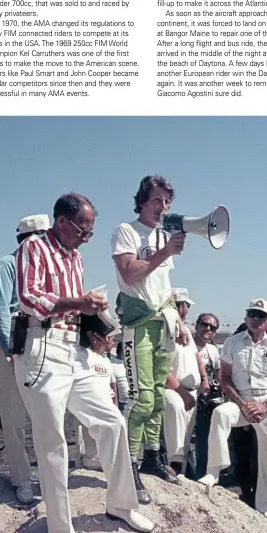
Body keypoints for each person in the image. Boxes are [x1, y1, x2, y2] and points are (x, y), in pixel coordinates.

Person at [15, 193, 153, 533]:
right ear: (62, 221)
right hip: (42, 348)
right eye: (83, 230)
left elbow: (71, 306)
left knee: (111, 422)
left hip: (73, 349)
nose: (86, 238)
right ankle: (60, 526)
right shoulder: (33, 247)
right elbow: (30, 298)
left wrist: (91, 326)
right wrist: (78, 303)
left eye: (91, 232)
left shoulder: (76, 257)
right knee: (52, 439)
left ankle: (121, 505)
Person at [111, 175, 185, 503]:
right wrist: (163, 251)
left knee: (157, 396)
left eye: (167, 201)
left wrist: (178, 318)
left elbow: (163, 285)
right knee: (140, 398)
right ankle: (129, 463)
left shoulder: (163, 234)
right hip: (138, 324)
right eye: (157, 200)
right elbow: (129, 273)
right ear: (142, 200)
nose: (163, 207)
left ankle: (153, 455)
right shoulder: (126, 231)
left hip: (162, 323)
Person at [198, 298, 267, 521]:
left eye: (261, 316)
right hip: (241, 402)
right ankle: (214, 471)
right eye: (252, 314)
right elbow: (225, 379)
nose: (256, 319)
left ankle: (265, 506)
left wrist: (265, 405)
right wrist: (243, 405)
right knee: (220, 414)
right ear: (246, 317)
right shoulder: (232, 342)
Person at [0, 214, 50, 505]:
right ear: (28, 238)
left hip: (39, 339)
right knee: (14, 415)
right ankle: (21, 479)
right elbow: (2, 311)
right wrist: (10, 349)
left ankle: (49, 477)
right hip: (12, 337)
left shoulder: (45, 270)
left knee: (44, 409)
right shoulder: (7, 265)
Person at [163, 300, 209, 475]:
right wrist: (182, 393)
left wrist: (204, 380)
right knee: (174, 411)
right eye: (179, 305)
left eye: (185, 305)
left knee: (185, 439)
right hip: (174, 390)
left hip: (192, 391)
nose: (183, 309)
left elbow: (197, 358)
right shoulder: (163, 330)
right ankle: (172, 467)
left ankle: (179, 473)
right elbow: (162, 368)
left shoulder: (186, 332)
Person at [192, 312, 222, 478]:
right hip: (186, 396)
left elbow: (218, 373)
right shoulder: (184, 344)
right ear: (196, 325)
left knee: (204, 441)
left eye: (212, 327)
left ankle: (200, 475)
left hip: (206, 402)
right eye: (204, 324)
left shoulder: (212, 350)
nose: (208, 329)